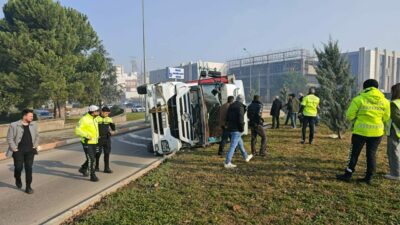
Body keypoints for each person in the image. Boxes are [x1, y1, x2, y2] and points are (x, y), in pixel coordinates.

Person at [336, 79, 390, 185]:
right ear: (377, 88)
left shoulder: (359, 99)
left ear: (365, 88)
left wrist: (359, 117)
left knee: (354, 154)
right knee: (371, 154)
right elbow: (387, 117)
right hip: (377, 132)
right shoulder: (385, 101)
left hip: (360, 131)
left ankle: (348, 174)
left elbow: (349, 115)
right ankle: (369, 177)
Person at [6, 109, 39, 194]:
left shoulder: (34, 124)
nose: (32, 117)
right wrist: (14, 148)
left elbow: (37, 136)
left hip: (30, 151)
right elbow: (9, 138)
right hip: (18, 151)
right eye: (30, 116)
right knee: (18, 168)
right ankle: (17, 178)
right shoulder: (14, 125)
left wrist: (35, 145)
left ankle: (28, 187)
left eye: (32, 116)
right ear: (24, 116)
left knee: (29, 168)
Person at [224, 94, 253, 168]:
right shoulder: (240, 107)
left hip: (231, 128)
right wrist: (241, 129)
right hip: (237, 129)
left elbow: (227, 117)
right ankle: (227, 162)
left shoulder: (231, 105)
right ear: (242, 100)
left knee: (240, 144)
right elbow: (240, 119)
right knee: (233, 146)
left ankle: (246, 157)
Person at [75, 105, 100, 182]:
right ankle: (92, 175)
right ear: (93, 112)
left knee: (92, 158)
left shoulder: (95, 119)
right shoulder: (84, 119)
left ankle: (83, 168)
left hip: (95, 142)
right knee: (91, 159)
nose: (98, 112)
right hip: (87, 142)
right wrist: (86, 135)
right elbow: (77, 130)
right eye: (97, 111)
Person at [385, 83, 400, 181]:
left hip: (395, 131)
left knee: (393, 151)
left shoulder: (394, 103)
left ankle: (395, 174)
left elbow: (396, 118)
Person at [95, 106, 116, 173]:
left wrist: (113, 131)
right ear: (102, 112)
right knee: (98, 153)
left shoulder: (109, 119)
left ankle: (106, 168)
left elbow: (113, 128)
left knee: (107, 153)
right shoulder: (96, 119)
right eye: (106, 113)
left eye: (108, 113)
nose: (107, 115)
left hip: (107, 138)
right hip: (99, 139)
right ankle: (96, 166)